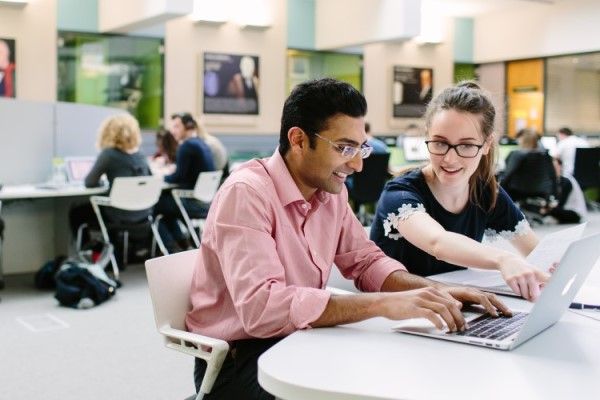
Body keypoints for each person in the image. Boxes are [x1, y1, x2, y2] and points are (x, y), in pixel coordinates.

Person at [185, 78, 511, 400]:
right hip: (240, 362)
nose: (356, 164)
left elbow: (366, 261)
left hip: (300, 339)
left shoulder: (329, 191)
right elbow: (263, 310)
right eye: (344, 148)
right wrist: (385, 304)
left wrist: (434, 291)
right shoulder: (247, 194)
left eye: (360, 148)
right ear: (298, 140)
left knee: (407, 368)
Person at [370, 81, 549, 302]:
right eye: (439, 143)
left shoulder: (487, 192)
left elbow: (537, 252)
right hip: (397, 312)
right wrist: (503, 259)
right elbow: (438, 242)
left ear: (486, 144)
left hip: (453, 305)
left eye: (466, 145)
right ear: (427, 135)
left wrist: (553, 269)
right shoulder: (399, 193)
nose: (450, 159)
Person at [68, 114, 152, 244]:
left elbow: (89, 182)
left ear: (108, 133)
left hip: (118, 214)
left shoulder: (109, 154)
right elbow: (150, 180)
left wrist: (102, 182)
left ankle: (87, 252)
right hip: (143, 214)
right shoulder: (141, 155)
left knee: (77, 212)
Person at [153, 112, 215, 253]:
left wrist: (160, 177)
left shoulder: (186, 146)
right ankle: (182, 243)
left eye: (176, 127)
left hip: (191, 201)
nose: (172, 131)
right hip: (205, 202)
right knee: (166, 212)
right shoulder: (202, 143)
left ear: (187, 126)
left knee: (154, 205)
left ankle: (172, 249)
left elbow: (178, 177)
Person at [500, 128, 556, 202]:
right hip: (542, 194)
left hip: (519, 194)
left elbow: (507, 176)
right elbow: (553, 176)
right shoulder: (545, 155)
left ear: (523, 139)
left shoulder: (518, 154)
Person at [540, 158, 587, 224]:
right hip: (562, 209)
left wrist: (548, 208)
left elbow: (561, 202)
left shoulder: (567, 180)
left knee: (551, 211)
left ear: (560, 167)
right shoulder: (555, 180)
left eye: (555, 166)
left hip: (573, 212)